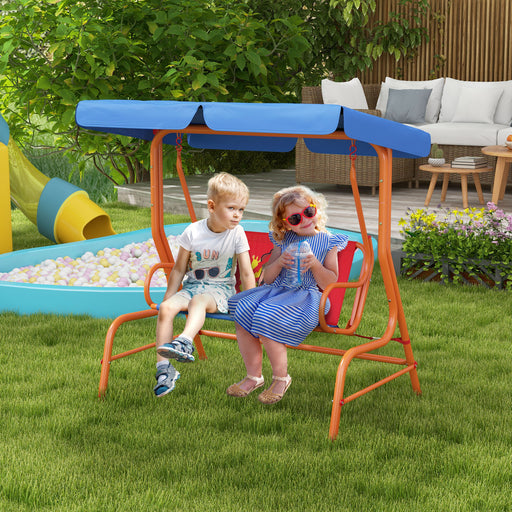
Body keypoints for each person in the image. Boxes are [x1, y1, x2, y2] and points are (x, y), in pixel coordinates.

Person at [226, 185, 348, 404]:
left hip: (307, 297)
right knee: (241, 309)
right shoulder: (283, 240)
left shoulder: (329, 241)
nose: (304, 220)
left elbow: (331, 282)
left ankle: (281, 379)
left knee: (266, 316)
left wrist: (315, 265)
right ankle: (254, 376)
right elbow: (268, 278)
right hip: (277, 291)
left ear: (316, 209)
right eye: (295, 218)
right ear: (284, 224)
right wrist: (280, 262)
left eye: (308, 212)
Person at [153, 172, 256, 397]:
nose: (237, 215)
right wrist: (169, 296)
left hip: (221, 291)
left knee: (198, 301)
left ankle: (185, 342)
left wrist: (250, 304)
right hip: (193, 287)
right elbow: (179, 269)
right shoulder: (193, 232)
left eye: (241, 209)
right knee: (166, 308)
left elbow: (247, 273)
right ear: (212, 206)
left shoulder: (237, 233)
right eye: (231, 208)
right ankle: (164, 370)